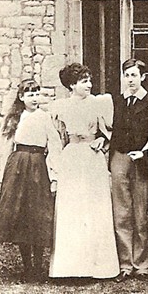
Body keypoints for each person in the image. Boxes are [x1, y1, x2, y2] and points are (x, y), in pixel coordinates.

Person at [47, 63, 119, 279]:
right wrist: (55, 171)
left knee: (95, 207)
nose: (89, 85)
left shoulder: (98, 103)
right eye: (83, 81)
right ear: (71, 85)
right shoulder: (61, 107)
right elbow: (57, 139)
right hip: (72, 158)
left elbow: (111, 132)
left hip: (92, 157)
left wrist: (102, 140)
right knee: (73, 208)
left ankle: (98, 267)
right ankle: (70, 268)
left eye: (89, 81)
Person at [0, 79, 62, 281]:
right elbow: (6, 148)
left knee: (38, 215)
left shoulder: (44, 117)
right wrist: (2, 176)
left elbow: (54, 146)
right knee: (21, 214)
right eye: (30, 94)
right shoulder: (15, 118)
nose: (34, 98)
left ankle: (38, 266)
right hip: (18, 168)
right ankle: (27, 267)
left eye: (37, 94)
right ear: (21, 97)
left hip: (38, 166)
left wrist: (54, 175)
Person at [110, 59, 148, 282]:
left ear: (143, 77)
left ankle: (142, 264)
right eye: (127, 75)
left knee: (140, 214)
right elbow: (108, 129)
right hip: (119, 159)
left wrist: (146, 154)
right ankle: (125, 264)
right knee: (121, 213)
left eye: (134, 75)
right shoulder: (117, 102)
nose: (130, 80)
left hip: (141, 162)